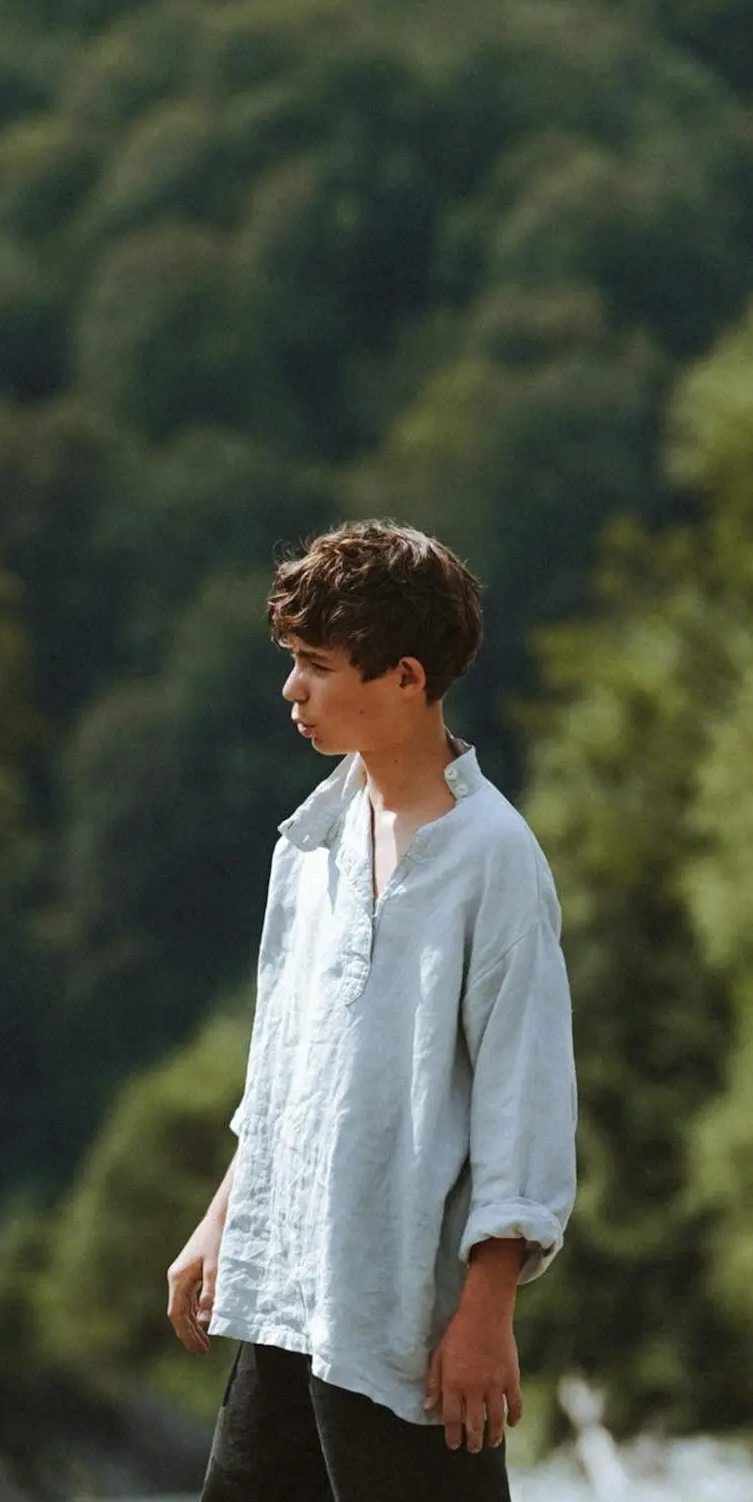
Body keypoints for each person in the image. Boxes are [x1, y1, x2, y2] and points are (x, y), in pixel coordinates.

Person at [164, 522, 578, 1502]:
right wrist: (224, 1219)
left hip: (409, 1327)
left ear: (404, 675)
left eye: (315, 665)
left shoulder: (495, 858)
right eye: (291, 663)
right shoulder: (308, 842)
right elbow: (286, 1075)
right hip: (283, 1300)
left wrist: (485, 1316)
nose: (291, 690)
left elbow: (524, 1100)